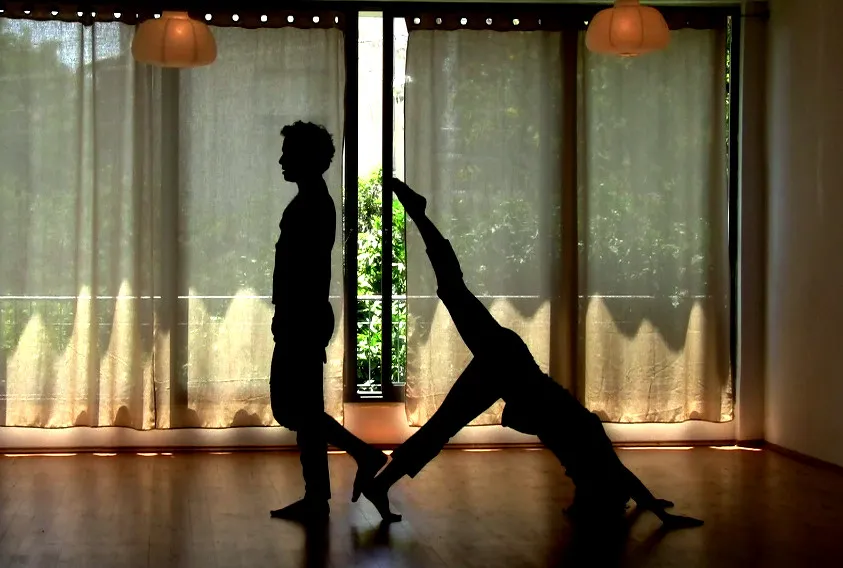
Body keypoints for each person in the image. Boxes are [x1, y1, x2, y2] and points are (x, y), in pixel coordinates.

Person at [360, 178, 703, 530]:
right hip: (507, 361)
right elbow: (621, 477)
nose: (571, 479)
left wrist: (653, 505)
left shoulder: (592, 460)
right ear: (597, 489)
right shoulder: (590, 450)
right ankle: (418, 213)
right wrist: (660, 513)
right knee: (453, 290)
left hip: (503, 371)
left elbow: (625, 480)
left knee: (441, 424)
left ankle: (379, 486)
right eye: (585, 492)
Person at [269, 121, 387, 522]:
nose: (282, 160)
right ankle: (321, 491)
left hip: (301, 317)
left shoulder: (310, 206)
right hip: (304, 316)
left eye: (288, 153)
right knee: (301, 410)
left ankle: (348, 467)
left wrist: (288, 316)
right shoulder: (314, 202)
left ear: (305, 158)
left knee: (295, 408)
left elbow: (301, 272)